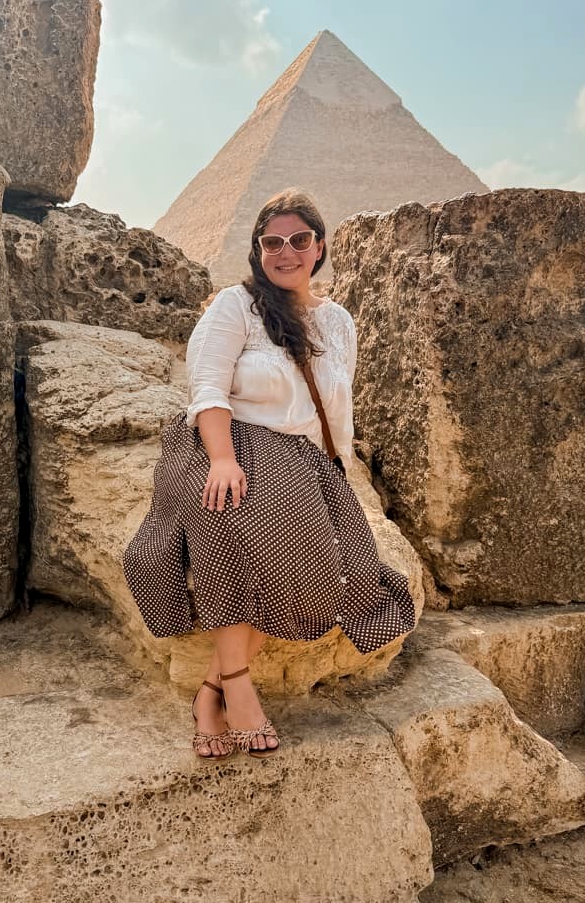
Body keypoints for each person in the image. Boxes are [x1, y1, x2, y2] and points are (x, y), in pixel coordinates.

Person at [123, 188, 416, 760]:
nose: (286, 252)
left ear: (319, 247)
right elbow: (207, 388)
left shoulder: (338, 321)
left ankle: (210, 692)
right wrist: (222, 458)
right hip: (230, 442)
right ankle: (237, 689)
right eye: (272, 242)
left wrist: (339, 472)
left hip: (304, 460)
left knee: (315, 558)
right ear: (258, 250)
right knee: (237, 529)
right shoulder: (235, 306)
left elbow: (338, 406)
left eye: (299, 240)